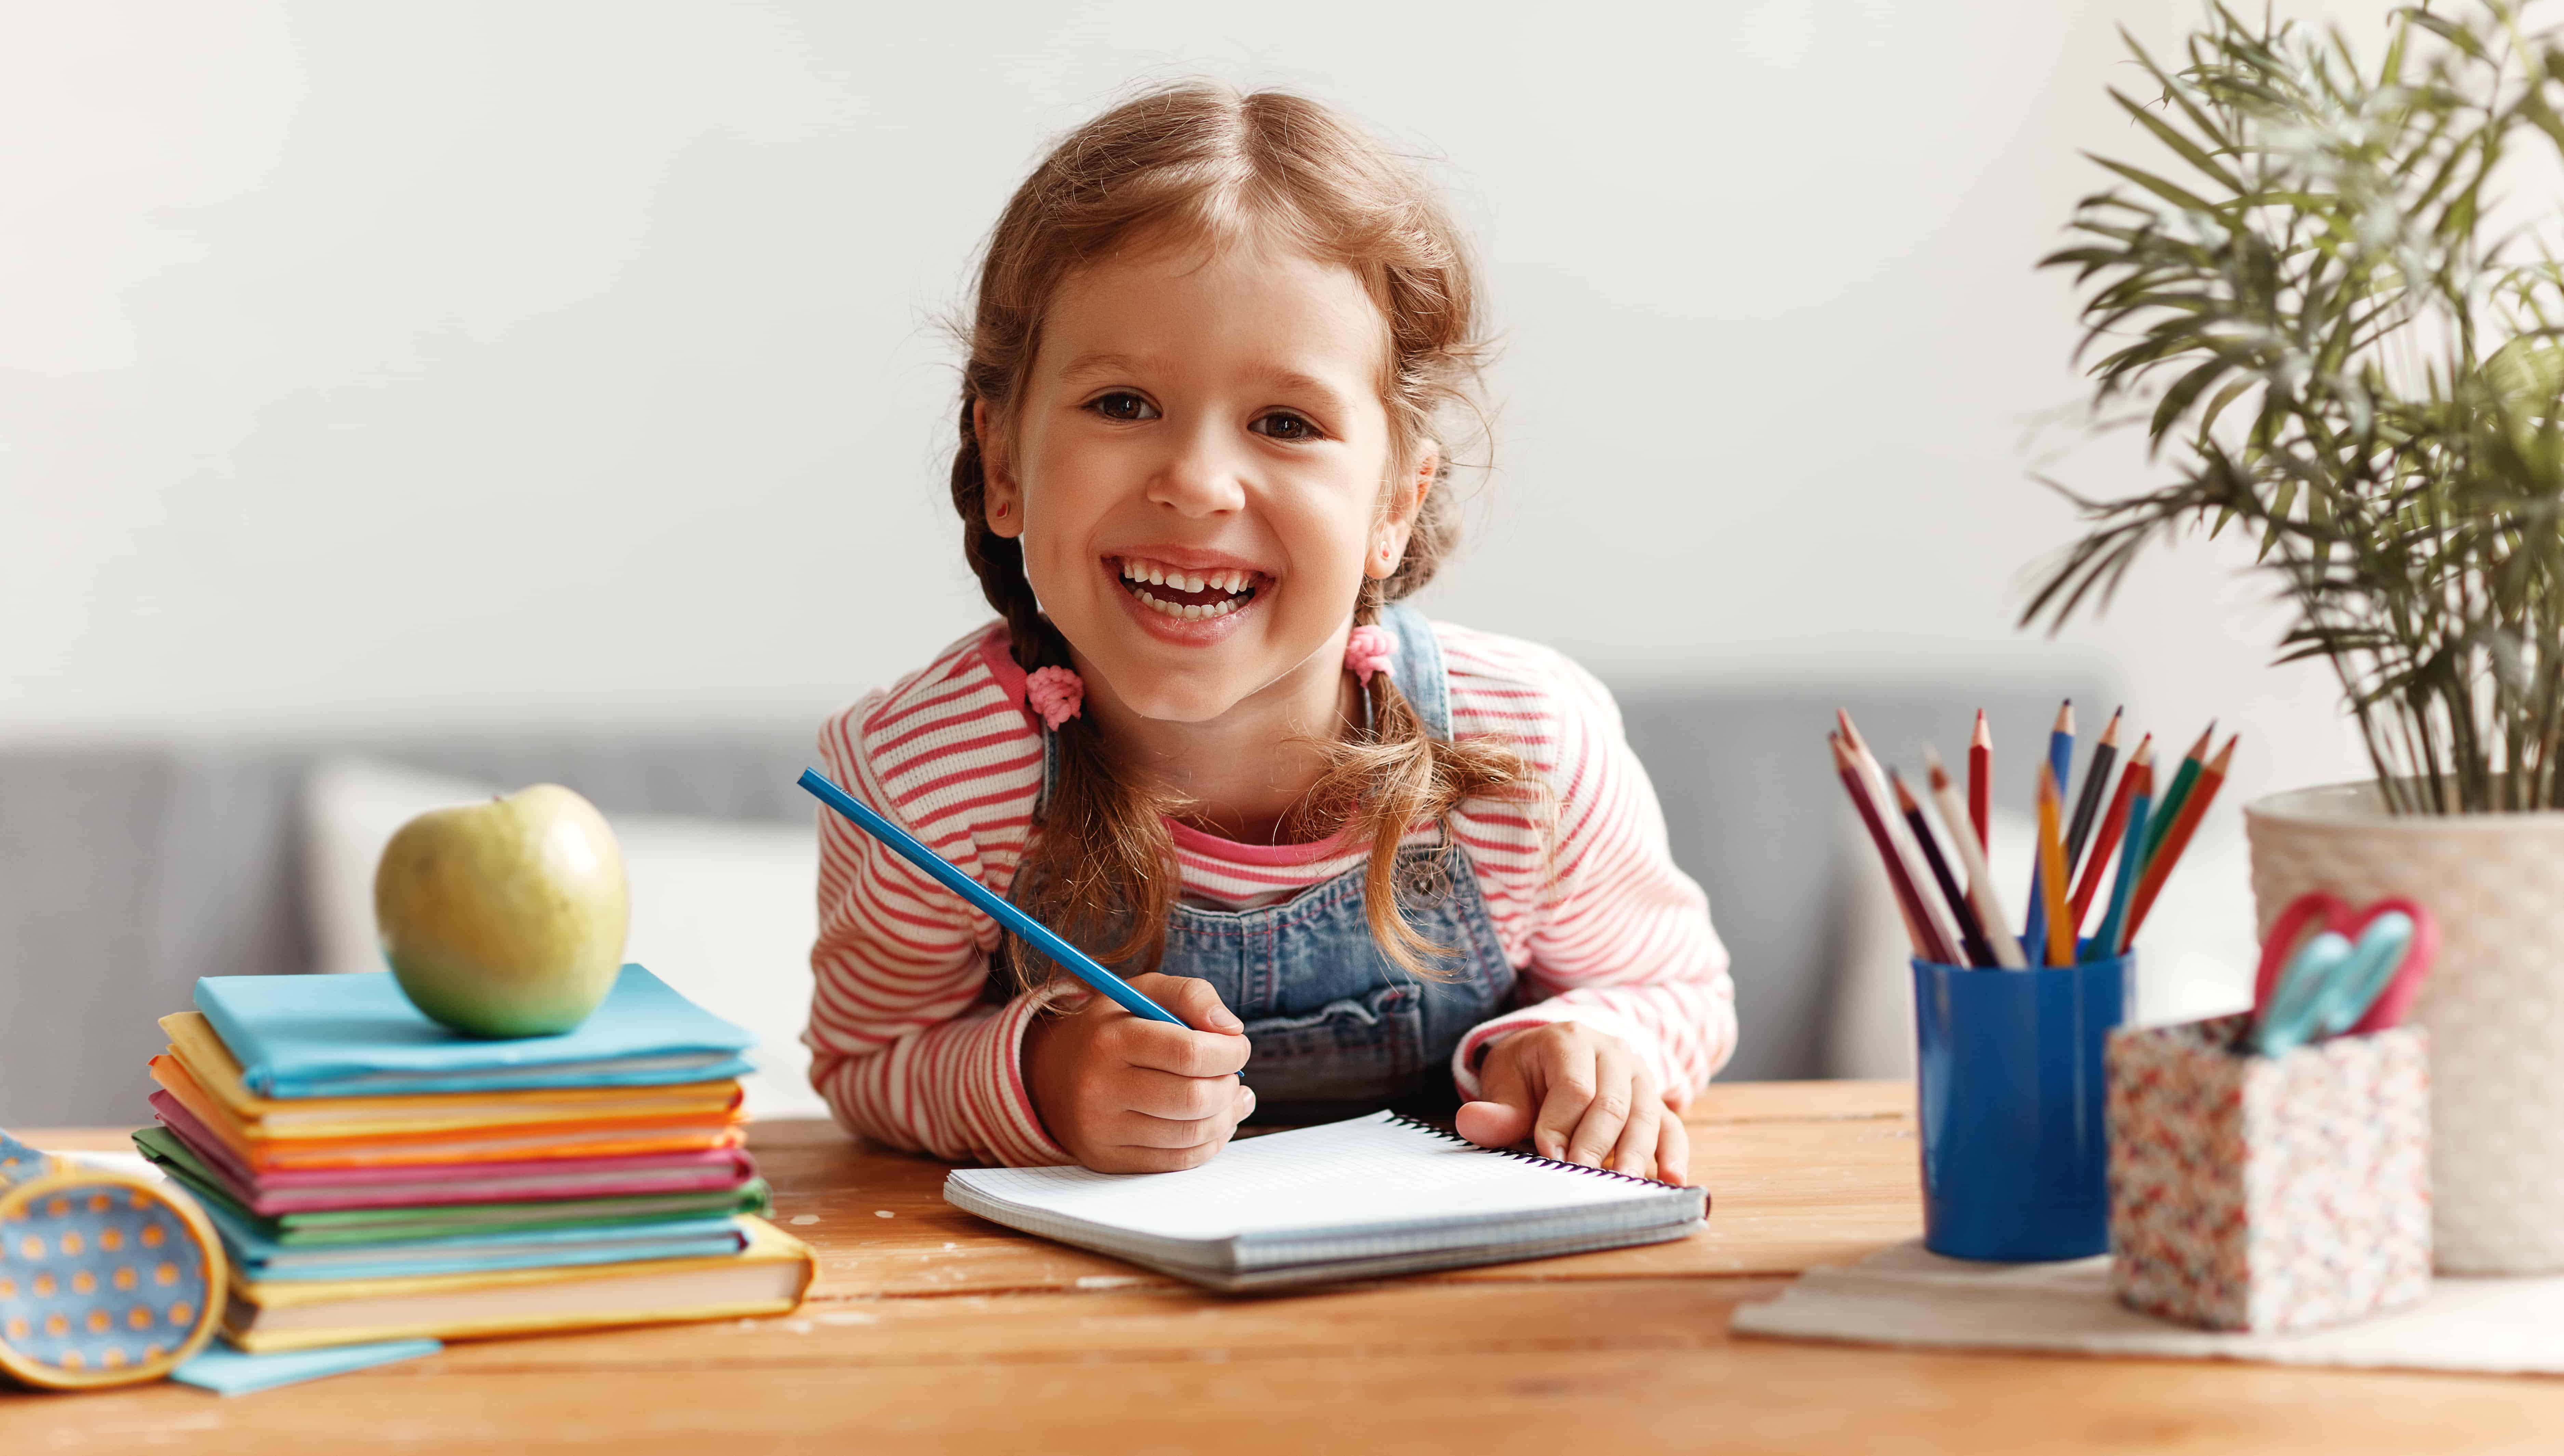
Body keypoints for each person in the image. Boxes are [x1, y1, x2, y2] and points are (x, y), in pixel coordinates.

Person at [806, 83, 1734, 1181]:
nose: (1197, 483)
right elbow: (871, 1055)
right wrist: (1043, 1079)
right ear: (1005, 463)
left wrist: (1579, 1050)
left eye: (1285, 423)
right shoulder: (924, 776)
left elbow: (1675, 991)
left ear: (1394, 503)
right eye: (1122, 403)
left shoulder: (1529, 743)